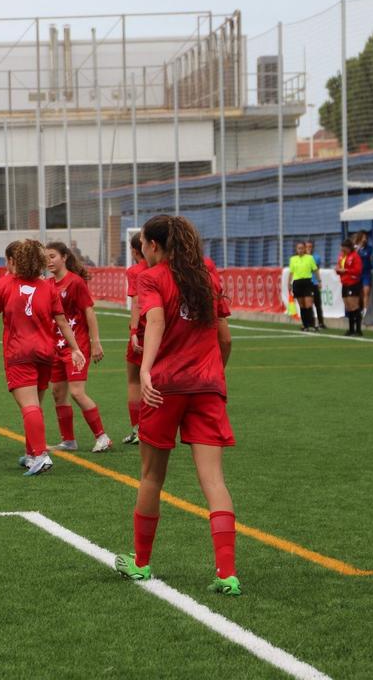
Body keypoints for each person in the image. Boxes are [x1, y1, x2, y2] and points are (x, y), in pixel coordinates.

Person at [114, 215, 239, 595]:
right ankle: (227, 573)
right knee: (214, 481)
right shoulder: (207, 276)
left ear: (153, 245)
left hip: (165, 387)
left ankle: (140, 563)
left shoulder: (152, 277)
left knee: (152, 477)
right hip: (207, 387)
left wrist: (146, 369)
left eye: (144, 245)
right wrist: (214, 374)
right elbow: (225, 339)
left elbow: (155, 321)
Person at [0, 240, 86, 477]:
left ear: (14, 260)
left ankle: (40, 455)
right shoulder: (48, 287)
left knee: (29, 406)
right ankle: (31, 455)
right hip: (45, 353)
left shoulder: (4, 284)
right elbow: (62, 321)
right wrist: (75, 348)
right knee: (35, 405)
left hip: (19, 353)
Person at [45, 241, 110, 452]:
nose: (49, 261)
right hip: (56, 346)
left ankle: (102, 437)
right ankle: (68, 441)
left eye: (52, 256)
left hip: (77, 347)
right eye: (46, 257)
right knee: (58, 393)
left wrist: (95, 342)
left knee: (77, 392)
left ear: (64, 257)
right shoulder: (47, 284)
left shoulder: (75, 282)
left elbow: (89, 311)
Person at [124, 233, 147, 446]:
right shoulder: (166, 268)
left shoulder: (135, 271)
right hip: (164, 330)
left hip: (144, 330)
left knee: (134, 380)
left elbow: (137, 303)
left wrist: (133, 331)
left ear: (134, 250)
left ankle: (138, 429)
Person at [286, 241, 319, 332]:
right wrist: (289, 284)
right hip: (297, 283)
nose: (300, 250)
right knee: (302, 306)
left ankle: (312, 324)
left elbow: (315, 269)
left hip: (307, 282)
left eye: (302, 248)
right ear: (296, 249)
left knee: (308, 304)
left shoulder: (309, 258)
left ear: (305, 249)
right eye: (299, 248)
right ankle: (305, 325)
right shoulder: (293, 259)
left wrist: (319, 281)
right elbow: (291, 272)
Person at [336, 237, 363, 336]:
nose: (342, 251)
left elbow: (358, 270)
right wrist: (338, 270)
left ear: (349, 248)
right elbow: (339, 267)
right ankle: (351, 329)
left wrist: (346, 271)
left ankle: (358, 330)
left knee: (354, 306)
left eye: (344, 249)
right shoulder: (341, 256)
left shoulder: (355, 256)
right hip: (345, 283)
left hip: (353, 283)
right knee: (348, 306)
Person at [304, 240, 327, 329]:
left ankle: (321, 323)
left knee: (318, 304)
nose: (308, 248)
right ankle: (311, 322)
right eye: (307, 247)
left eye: (310, 246)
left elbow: (315, 269)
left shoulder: (316, 257)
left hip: (314, 283)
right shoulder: (302, 258)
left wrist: (319, 281)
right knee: (308, 305)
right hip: (306, 283)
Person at [355, 230, 373, 317]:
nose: (365, 239)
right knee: (360, 293)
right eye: (363, 237)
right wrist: (358, 248)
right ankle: (360, 309)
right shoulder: (356, 248)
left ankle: (366, 311)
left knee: (366, 292)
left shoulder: (370, 248)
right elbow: (352, 257)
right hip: (358, 274)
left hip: (366, 273)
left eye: (366, 238)